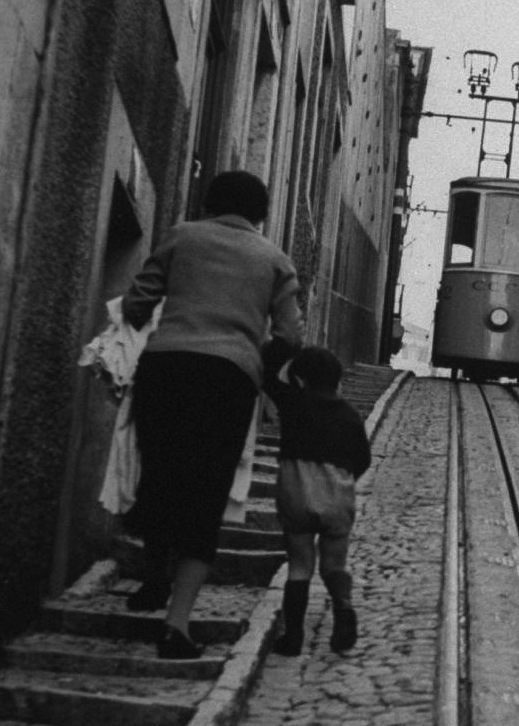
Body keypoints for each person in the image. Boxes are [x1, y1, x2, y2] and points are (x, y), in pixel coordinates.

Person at [122, 171, 303, 659]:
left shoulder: (183, 236)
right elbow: (291, 336)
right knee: (205, 493)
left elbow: (139, 303)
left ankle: (154, 577)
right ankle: (176, 627)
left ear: (209, 202)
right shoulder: (274, 260)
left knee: (159, 474)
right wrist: (254, 352)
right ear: (260, 213)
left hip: (165, 370)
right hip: (227, 381)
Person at [262, 344, 371, 656]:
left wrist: (288, 345)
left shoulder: (292, 403)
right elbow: (362, 459)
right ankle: (344, 607)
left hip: (296, 489)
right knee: (334, 564)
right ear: (338, 380)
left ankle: (293, 636)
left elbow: (269, 374)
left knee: (299, 566)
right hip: (337, 493)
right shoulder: (350, 416)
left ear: (299, 378)